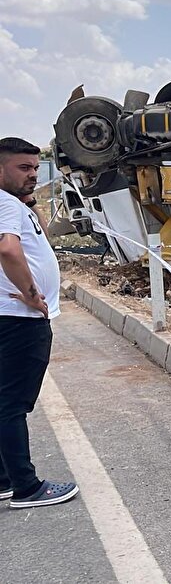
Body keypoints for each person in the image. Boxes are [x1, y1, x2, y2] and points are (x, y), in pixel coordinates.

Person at [0, 137, 79, 509]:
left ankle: (4, 479)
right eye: (23, 168)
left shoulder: (13, 204)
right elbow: (8, 249)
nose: (32, 175)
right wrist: (32, 293)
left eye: (35, 168)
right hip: (19, 319)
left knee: (4, 401)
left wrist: (29, 200)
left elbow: (40, 238)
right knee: (13, 405)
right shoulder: (3, 203)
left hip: (12, 316)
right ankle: (27, 488)